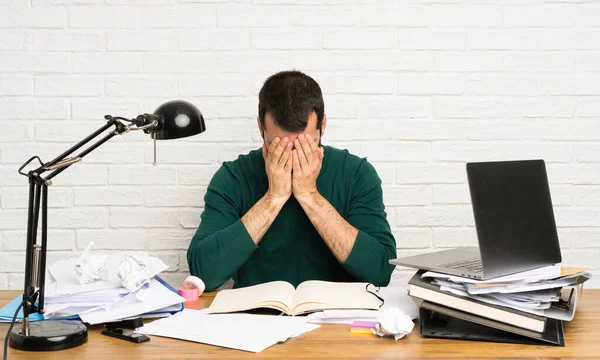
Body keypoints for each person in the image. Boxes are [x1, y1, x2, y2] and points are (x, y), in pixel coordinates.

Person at [187, 70, 396, 291]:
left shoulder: (356, 173)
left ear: (322, 125)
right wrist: (273, 198)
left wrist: (310, 196)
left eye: (305, 146)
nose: (293, 158)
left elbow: (380, 271)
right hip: (255, 318)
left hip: (338, 319)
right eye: (279, 146)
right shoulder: (233, 177)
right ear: (260, 128)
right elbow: (203, 274)